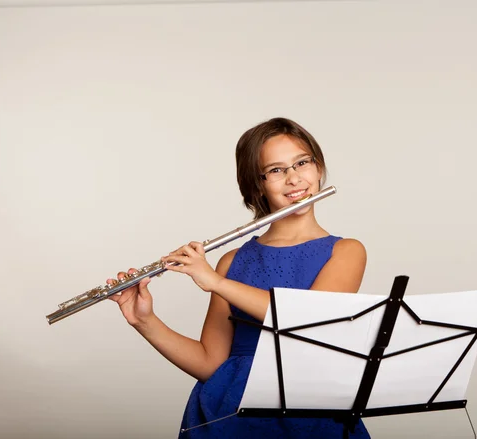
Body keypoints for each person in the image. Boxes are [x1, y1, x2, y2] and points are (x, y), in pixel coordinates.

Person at [107, 117, 371, 438]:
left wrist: (216, 283)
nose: (293, 178)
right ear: (257, 184)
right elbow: (209, 363)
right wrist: (144, 320)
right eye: (275, 170)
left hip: (309, 412)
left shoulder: (346, 251)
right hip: (229, 415)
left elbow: (306, 318)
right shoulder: (231, 261)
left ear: (318, 167)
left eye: (302, 163)